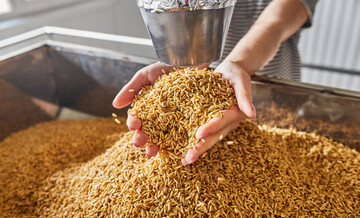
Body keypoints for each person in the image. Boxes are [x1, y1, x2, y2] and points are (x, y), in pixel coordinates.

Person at [113, 0, 318, 165]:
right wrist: (181, 60)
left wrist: (237, 64)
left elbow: (277, 19)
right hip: (195, 70)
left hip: (270, 89)